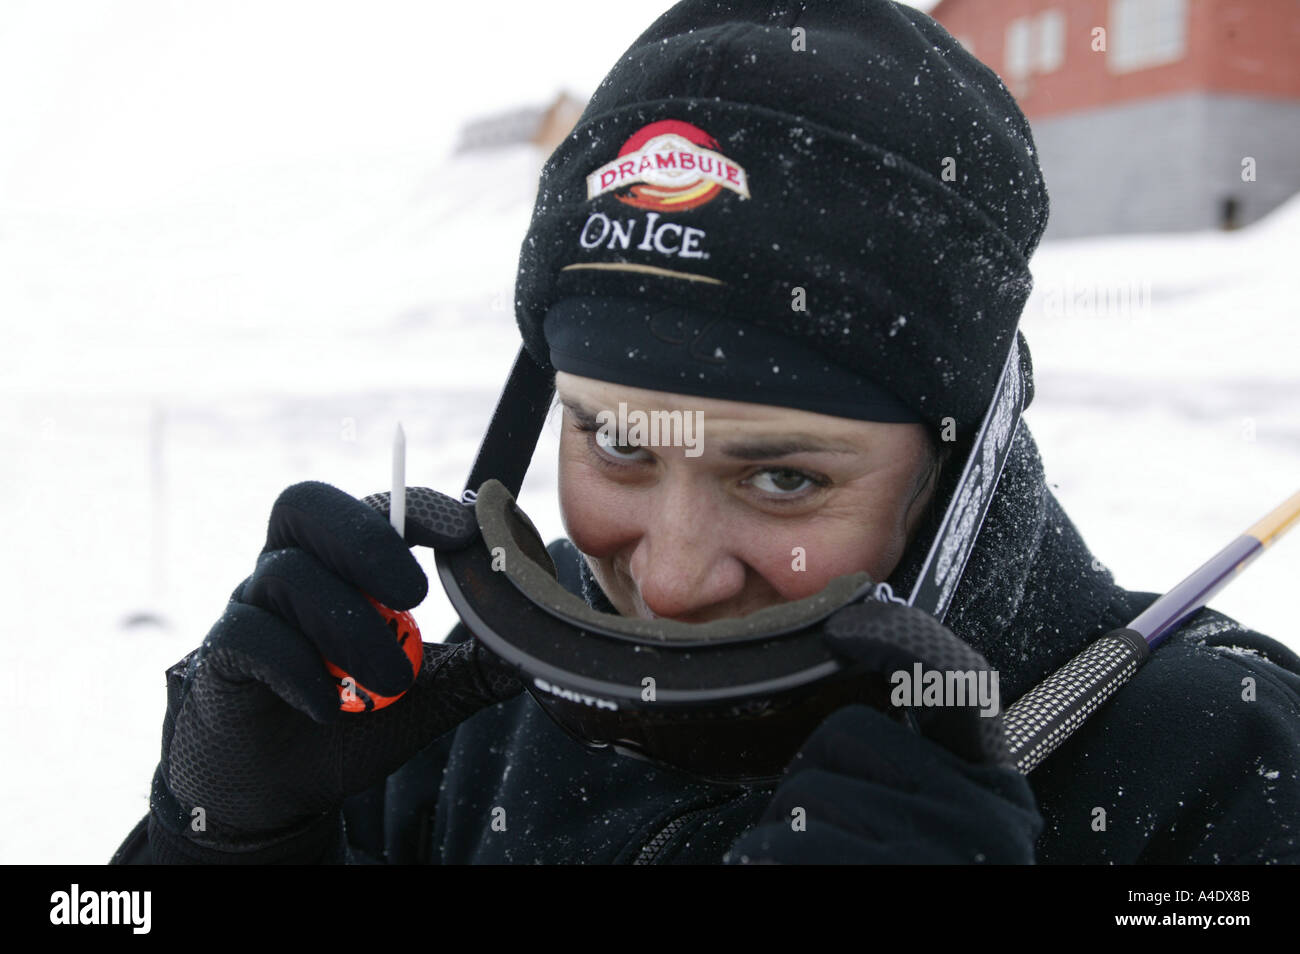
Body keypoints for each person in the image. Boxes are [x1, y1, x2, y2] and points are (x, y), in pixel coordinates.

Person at [111, 0, 1300, 865]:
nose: (669, 581)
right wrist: (220, 839)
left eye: (782, 476)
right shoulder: (464, 723)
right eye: (618, 448)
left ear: (955, 467)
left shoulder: (1221, 770)